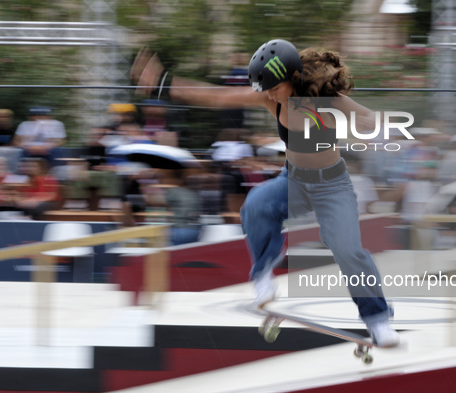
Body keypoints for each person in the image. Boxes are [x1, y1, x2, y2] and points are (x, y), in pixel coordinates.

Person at [130, 39, 399, 347]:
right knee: (255, 204)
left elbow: (372, 120)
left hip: (332, 186)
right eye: (266, 89)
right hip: (293, 180)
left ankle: (377, 320)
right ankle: (263, 274)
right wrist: (163, 84)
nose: (269, 94)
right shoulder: (271, 98)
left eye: (274, 87)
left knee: (347, 249)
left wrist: (376, 134)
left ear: (293, 78)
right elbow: (219, 98)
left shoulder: (329, 100)